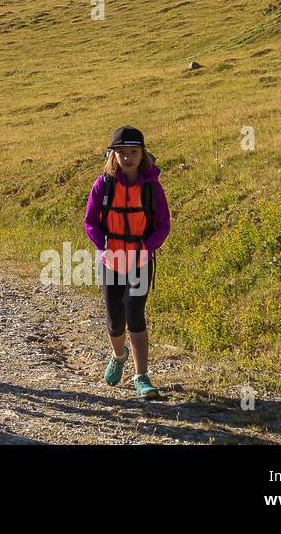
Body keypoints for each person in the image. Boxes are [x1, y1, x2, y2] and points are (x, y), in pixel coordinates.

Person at [83, 126, 171, 400]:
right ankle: (119, 356)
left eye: (133, 152)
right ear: (113, 155)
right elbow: (90, 222)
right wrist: (103, 246)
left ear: (143, 154)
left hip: (140, 261)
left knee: (135, 314)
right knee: (114, 321)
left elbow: (163, 225)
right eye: (122, 153)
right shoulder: (103, 184)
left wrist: (147, 248)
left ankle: (141, 376)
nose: (128, 157)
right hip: (111, 260)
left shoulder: (152, 187)